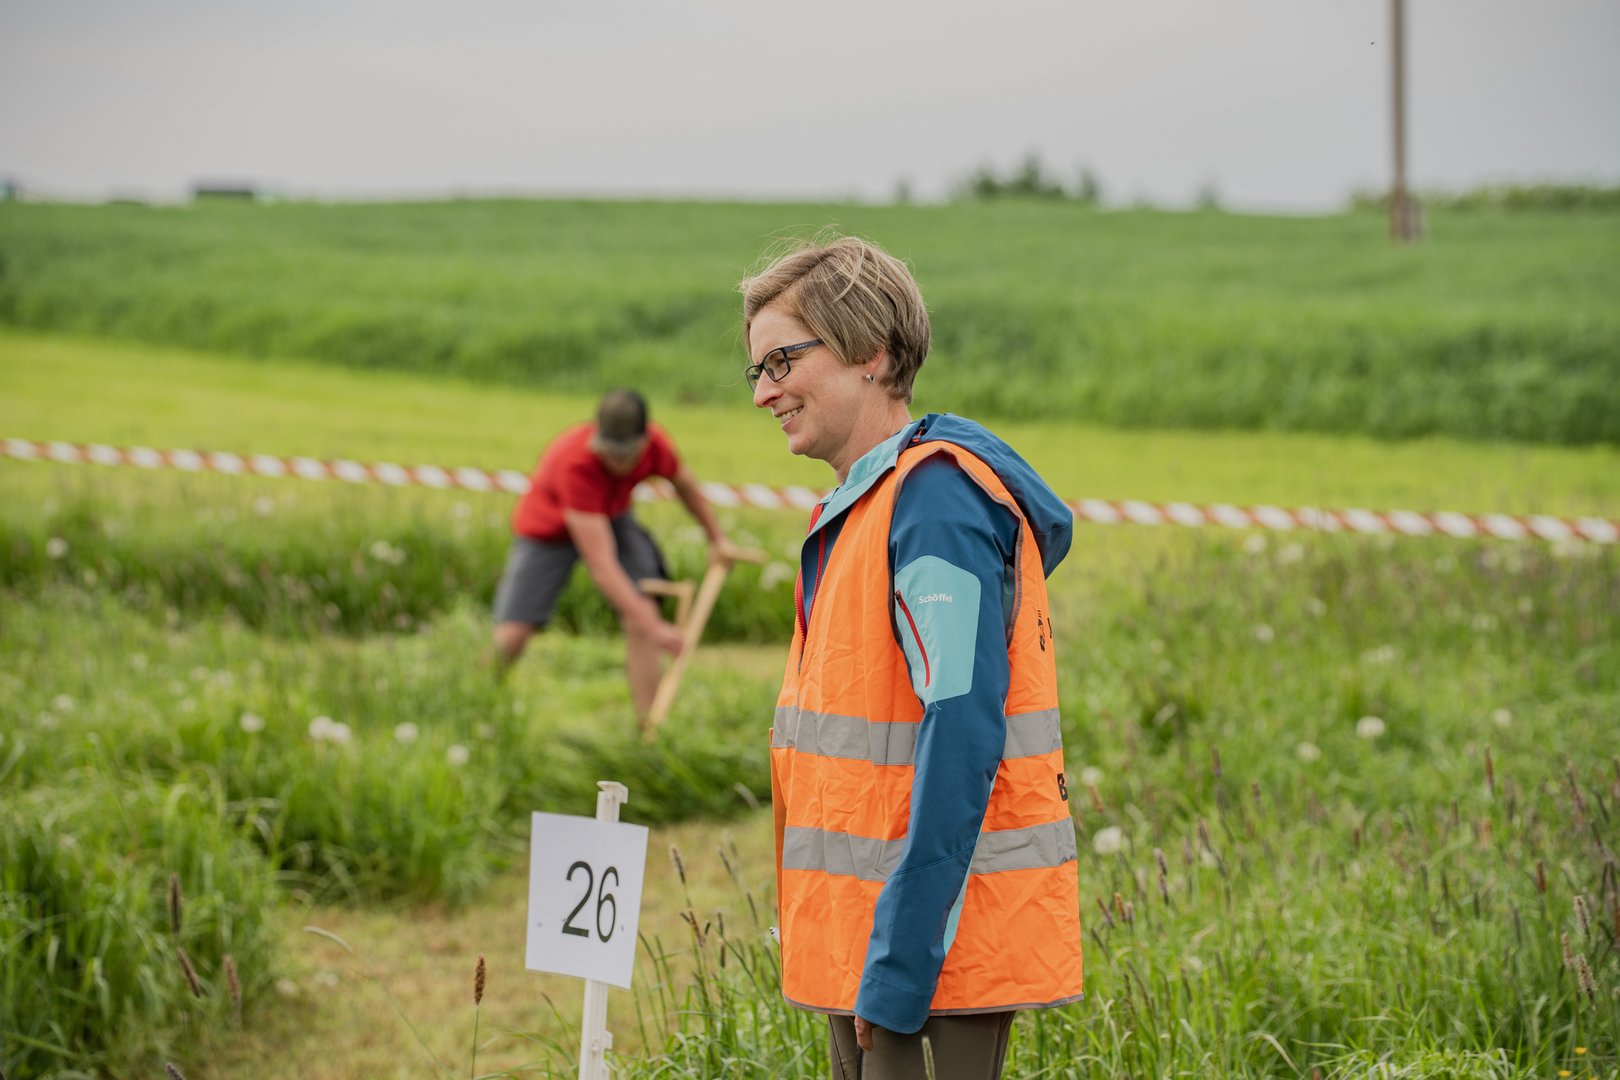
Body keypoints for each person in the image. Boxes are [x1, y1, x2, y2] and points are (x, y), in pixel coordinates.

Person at [741, 237, 1083, 1080]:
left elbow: (962, 735)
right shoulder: (865, 503)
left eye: (782, 361)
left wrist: (897, 966)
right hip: (870, 948)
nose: (763, 392)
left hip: (930, 967)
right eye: (755, 369)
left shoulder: (935, 505)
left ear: (870, 352)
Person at [490, 388, 736, 717]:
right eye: (608, 452)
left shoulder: (657, 446)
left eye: (624, 455)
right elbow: (601, 563)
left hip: (613, 515)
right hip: (548, 530)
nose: (615, 461)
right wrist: (656, 629)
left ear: (644, 442)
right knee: (514, 632)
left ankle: (648, 727)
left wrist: (717, 538)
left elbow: (684, 484)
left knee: (643, 605)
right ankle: (479, 695)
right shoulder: (575, 462)